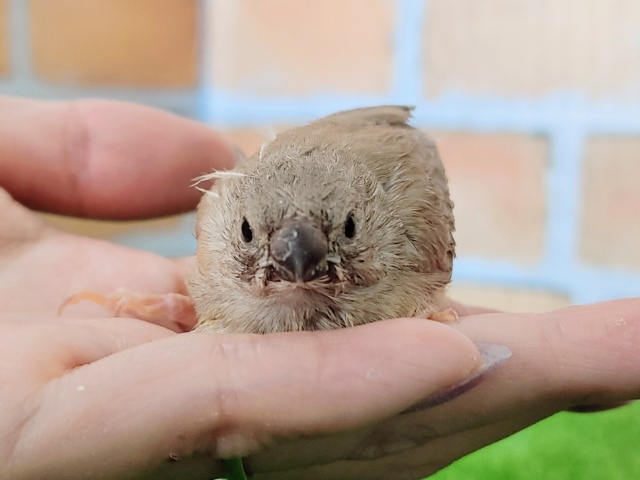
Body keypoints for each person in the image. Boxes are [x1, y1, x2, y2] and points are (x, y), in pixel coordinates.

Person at [0, 96, 638, 480]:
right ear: (231, 225)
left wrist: (428, 309)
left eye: (348, 234)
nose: (298, 267)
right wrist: (185, 305)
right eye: (254, 237)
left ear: (374, 227)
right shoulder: (222, 213)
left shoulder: (408, 227)